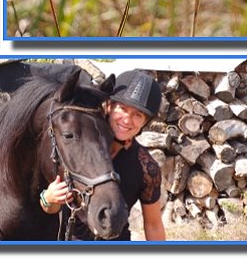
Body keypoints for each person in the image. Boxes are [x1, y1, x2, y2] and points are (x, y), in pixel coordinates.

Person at [40, 70, 166, 241]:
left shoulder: (146, 167)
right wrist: (49, 198)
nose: (127, 120)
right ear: (109, 106)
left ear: (145, 122)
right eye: (122, 108)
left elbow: (153, 225)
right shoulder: (75, 145)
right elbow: (51, 208)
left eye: (138, 115)